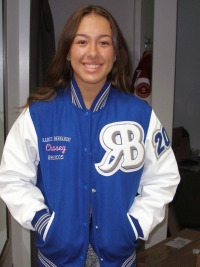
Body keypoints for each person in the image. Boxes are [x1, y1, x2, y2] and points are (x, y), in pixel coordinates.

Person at [0, 5, 180, 267]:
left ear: (116, 53)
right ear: (67, 52)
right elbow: (13, 178)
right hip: (56, 259)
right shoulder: (38, 115)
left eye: (104, 42)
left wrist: (135, 225)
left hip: (119, 259)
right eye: (82, 41)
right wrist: (42, 221)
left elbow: (163, 178)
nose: (93, 52)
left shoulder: (140, 115)